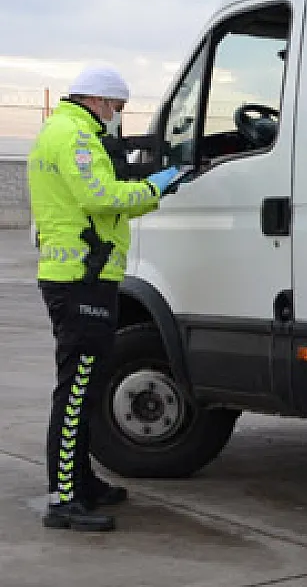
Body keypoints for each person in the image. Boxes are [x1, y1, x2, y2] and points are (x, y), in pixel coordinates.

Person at [26, 64, 180, 532]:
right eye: (117, 107)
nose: (117, 116)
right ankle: (64, 499)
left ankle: (82, 482)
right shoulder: (76, 137)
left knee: (86, 386)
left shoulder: (58, 129)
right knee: (76, 390)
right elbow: (101, 196)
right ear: (97, 99)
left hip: (76, 276)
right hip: (81, 279)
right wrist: (155, 186)